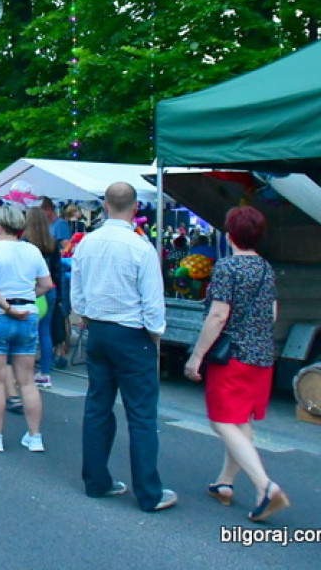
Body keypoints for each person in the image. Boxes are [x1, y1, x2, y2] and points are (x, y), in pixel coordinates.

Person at [71, 182, 176, 512]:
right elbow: (153, 300)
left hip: (98, 331)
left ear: (104, 205)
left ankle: (96, 481)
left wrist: (86, 317)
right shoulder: (140, 247)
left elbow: (78, 292)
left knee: (97, 406)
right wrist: (155, 334)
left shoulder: (87, 243)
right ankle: (148, 493)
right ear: (134, 209)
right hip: (132, 334)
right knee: (142, 415)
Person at [184, 206, 289, 523]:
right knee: (241, 421)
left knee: (222, 421)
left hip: (232, 358)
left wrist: (197, 356)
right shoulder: (266, 269)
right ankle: (224, 483)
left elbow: (218, 315)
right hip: (261, 357)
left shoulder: (228, 268)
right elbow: (271, 315)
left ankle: (265, 486)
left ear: (229, 236)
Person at [0, 205, 53, 452]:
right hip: (28, 314)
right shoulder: (32, 251)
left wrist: (6, 305)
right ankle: (35, 436)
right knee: (27, 381)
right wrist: (27, 296)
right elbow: (47, 284)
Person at [22, 208, 61, 388]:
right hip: (50, 289)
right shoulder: (52, 243)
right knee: (45, 332)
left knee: (26, 333)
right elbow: (57, 271)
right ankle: (45, 373)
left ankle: (24, 372)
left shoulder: (25, 242)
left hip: (30, 290)